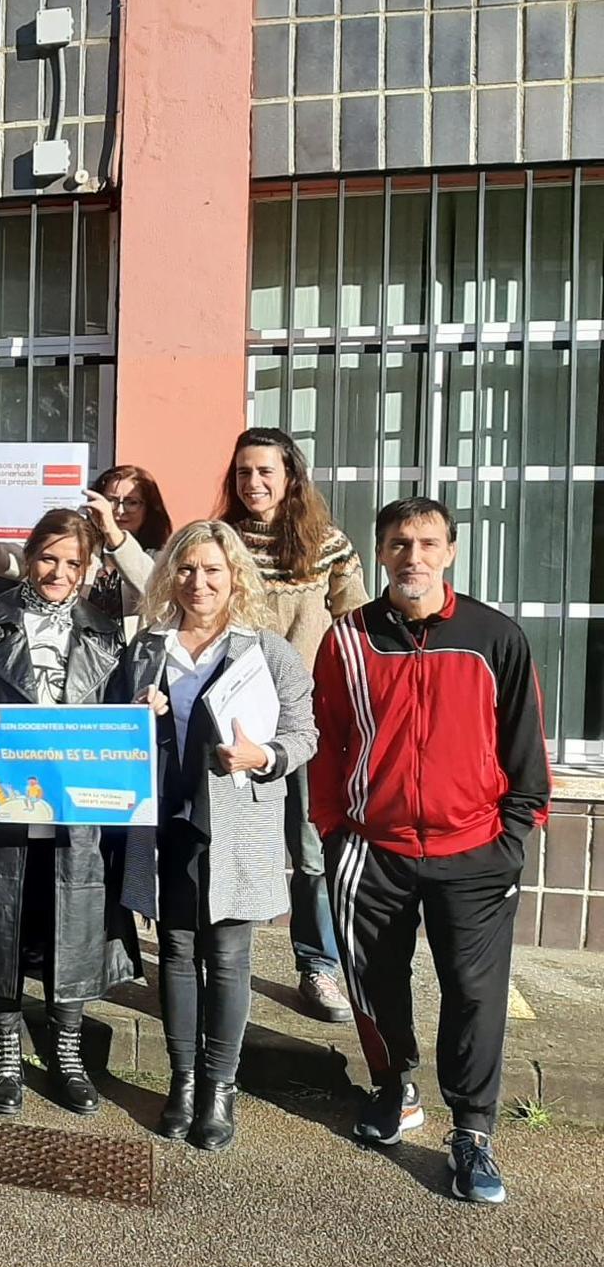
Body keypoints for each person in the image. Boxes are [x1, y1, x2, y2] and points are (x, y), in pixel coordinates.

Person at [312, 498, 550, 1205]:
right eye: (397, 544)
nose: (411, 556)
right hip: (371, 847)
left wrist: (514, 834)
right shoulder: (348, 638)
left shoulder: (493, 636)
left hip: (475, 848)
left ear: (449, 550)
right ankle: (395, 1089)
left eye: (425, 543)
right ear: (379, 553)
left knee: (474, 995)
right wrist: (333, 825)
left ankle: (472, 1134)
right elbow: (327, 740)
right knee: (374, 982)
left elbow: (525, 743)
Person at [116, 521, 316, 1152]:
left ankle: (219, 1090)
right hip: (166, 818)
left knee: (227, 959)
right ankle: (181, 1084)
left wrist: (263, 756)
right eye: (185, 569)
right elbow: (111, 729)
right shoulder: (145, 648)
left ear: (235, 577)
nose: (198, 582)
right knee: (175, 954)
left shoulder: (267, 650)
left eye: (211, 570)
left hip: (236, 825)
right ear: (168, 576)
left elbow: (303, 736)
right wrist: (134, 716)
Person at [0, 508, 138, 1116]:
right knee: (6, 921)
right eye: (48, 557)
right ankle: (4, 1049)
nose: (59, 571)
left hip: (78, 809)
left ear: (88, 569)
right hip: (5, 802)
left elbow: (122, 722)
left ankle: (67, 1053)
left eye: (73, 562)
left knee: (70, 921)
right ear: (28, 557)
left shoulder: (107, 634)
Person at [219, 427, 365, 1024]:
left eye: (264, 472)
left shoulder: (328, 546)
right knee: (231, 848)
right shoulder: (223, 542)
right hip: (233, 727)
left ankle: (319, 966)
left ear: (290, 477)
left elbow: (357, 631)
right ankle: (221, 965)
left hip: (307, 727)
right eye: (243, 473)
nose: (253, 483)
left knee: (309, 854)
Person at [87, 464, 172, 634]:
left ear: (148, 508)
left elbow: (153, 591)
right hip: (82, 655)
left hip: (129, 656)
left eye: (131, 502)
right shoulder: (85, 550)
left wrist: (111, 530)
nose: (120, 510)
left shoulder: (162, 555)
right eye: (111, 501)